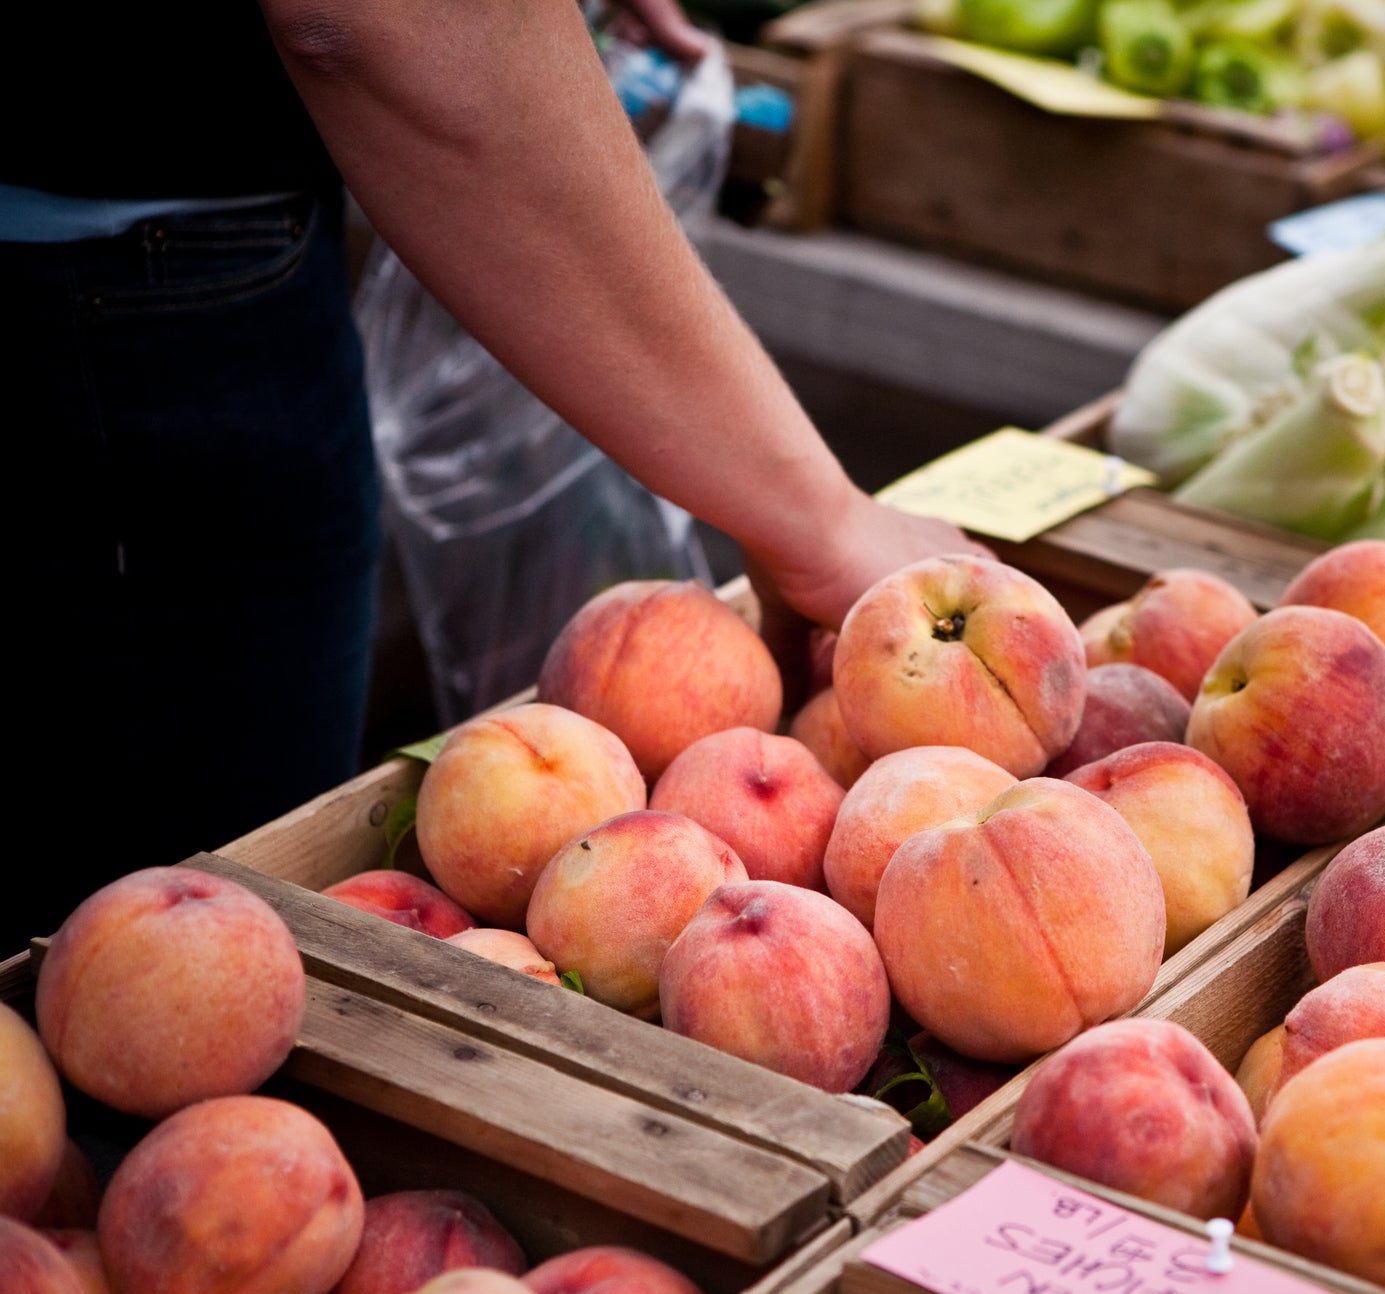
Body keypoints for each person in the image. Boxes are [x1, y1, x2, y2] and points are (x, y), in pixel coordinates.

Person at [4, 0, 982, 934]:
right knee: (175, 927)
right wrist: (815, 514)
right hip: (114, 277)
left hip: (135, 237)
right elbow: (384, 21)